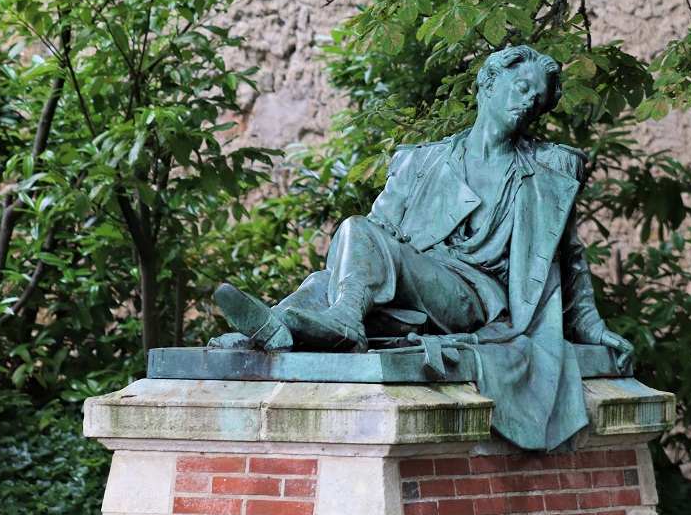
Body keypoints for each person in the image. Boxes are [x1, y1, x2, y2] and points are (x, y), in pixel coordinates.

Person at [216, 45, 634, 451]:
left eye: (538, 99)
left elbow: (570, 256)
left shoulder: (547, 168)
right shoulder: (421, 161)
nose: (529, 102)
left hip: (475, 296)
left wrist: (591, 327)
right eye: (522, 87)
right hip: (410, 277)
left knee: (356, 233)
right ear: (487, 85)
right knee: (330, 272)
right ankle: (279, 327)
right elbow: (374, 236)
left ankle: (337, 320)